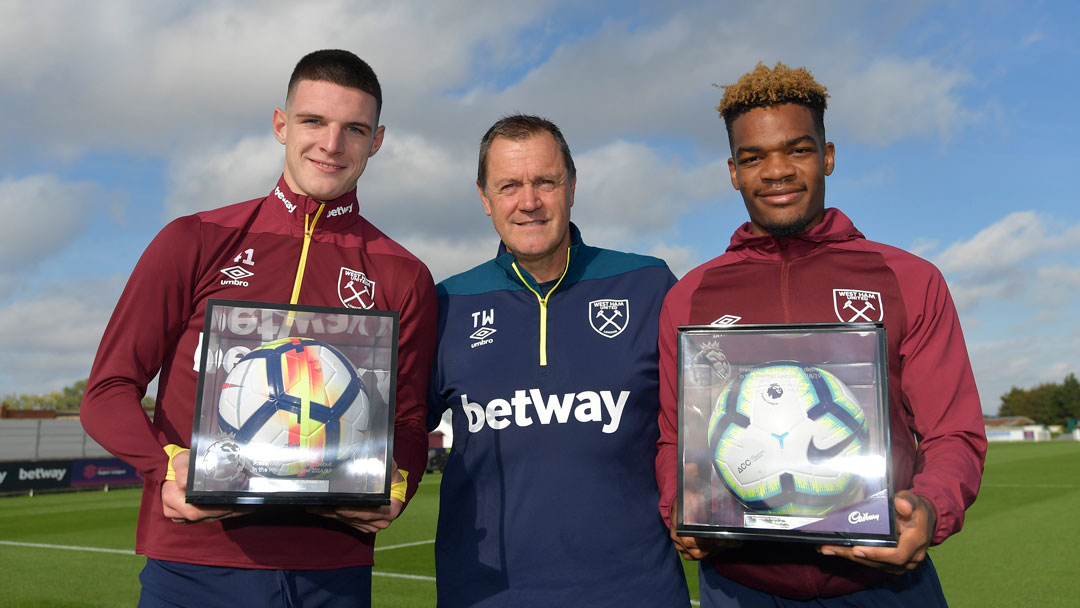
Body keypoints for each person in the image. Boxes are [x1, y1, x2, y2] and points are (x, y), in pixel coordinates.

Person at [81, 49, 437, 607]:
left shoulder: (403, 274)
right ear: (280, 124)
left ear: (377, 140)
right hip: (195, 565)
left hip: (333, 573)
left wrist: (399, 486)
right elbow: (106, 393)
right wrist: (170, 467)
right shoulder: (194, 240)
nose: (331, 143)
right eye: (313, 121)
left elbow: (410, 420)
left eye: (354, 129)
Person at [657, 62, 987, 606]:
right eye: (754, 157)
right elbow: (676, 438)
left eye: (798, 149)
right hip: (741, 588)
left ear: (828, 156)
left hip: (882, 586)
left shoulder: (908, 278)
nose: (777, 171)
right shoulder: (690, 297)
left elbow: (953, 432)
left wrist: (928, 509)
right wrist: (682, 503)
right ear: (733, 172)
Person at [427, 114, 690, 606]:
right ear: (484, 198)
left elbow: (703, 422)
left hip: (636, 593)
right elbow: (390, 429)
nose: (529, 201)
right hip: (484, 596)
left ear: (572, 185)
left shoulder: (648, 285)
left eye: (545, 182)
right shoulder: (447, 304)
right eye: (509, 186)